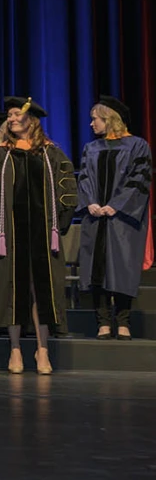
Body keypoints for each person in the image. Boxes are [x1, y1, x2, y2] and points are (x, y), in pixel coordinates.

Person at [0, 97, 76, 374]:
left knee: (40, 292)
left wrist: (61, 222)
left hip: (43, 236)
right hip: (11, 235)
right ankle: (16, 349)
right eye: (9, 114)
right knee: (12, 291)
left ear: (31, 119)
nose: (11, 118)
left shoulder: (51, 154)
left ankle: (42, 351)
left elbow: (67, 190)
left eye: (17, 113)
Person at [76, 95, 151, 340]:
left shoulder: (138, 145)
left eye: (95, 119)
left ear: (109, 119)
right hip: (96, 216)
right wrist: (90, 203)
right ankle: (103, 321)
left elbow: (139, 179)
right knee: (96, 268)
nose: (91, 124)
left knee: (123, 267)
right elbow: (84, 178)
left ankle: (123, 320)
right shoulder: (91, 148)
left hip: (123, 219)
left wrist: (116, 206)